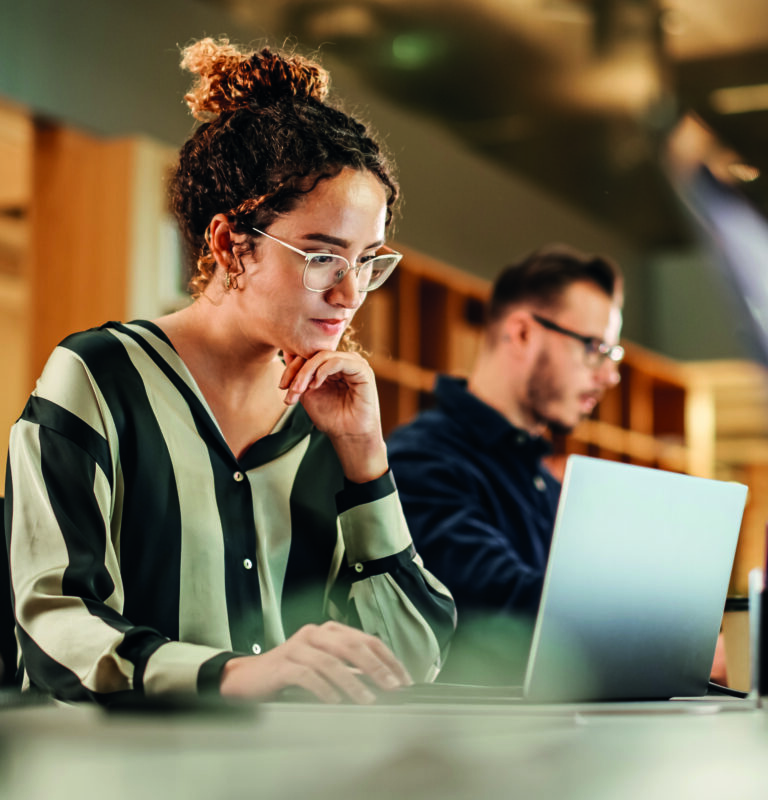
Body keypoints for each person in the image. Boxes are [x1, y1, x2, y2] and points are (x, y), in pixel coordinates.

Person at [3, 37, 455, 705]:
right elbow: (54, 630)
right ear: (229, 244)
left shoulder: (329, 417)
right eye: (323, 257)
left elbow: (413, 661)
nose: (351, 292)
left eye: (367, 261)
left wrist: (365, 457)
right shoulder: (98, 377)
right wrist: (232, 675)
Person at [387, 245, 623, 682]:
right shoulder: (419, 460)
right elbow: (500, 606)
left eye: (612, 356)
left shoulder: (547, 486)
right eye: (594, 348)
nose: (608, 376)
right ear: (522, 334)